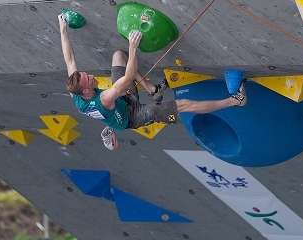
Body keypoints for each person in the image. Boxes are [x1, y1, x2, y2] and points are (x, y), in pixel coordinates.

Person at [58, 13, 247, 150]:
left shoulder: (75, 90)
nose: (91, 76)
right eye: (88, 79)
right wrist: (133, 47)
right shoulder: (104, 98)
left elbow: (70, 60)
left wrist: (63, 31)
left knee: (118, 55)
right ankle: (236, 100)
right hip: (133, 116)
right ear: (85, 91)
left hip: (119, 102)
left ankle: (152, 89)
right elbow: (129, 76)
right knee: (183, 105)